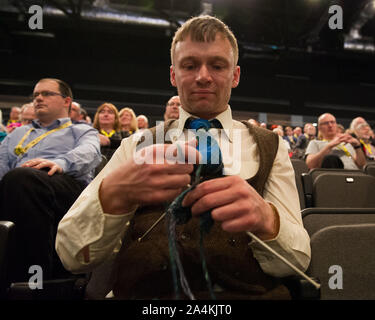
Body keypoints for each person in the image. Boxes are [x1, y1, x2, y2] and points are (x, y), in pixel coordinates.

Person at [56, 15, 310, 300]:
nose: (203, 76)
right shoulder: (135, 146)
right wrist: (112, 195)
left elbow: (299, 260)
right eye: (190, 66)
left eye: (217, 65)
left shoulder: (270, 147)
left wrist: (267, 220)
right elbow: (72, 257)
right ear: (173, 75)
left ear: (235, 75)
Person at [0, 78, 101, 283]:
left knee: (23, 178)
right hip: (19, 185)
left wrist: (60, 162)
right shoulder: (18, 133)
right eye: (35, 95)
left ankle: (31, 282)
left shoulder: (82, 130)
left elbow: (90, 153)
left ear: (66, 101)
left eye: (46, 93)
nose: (38, 98)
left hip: (65, 185)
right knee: (19, 180)